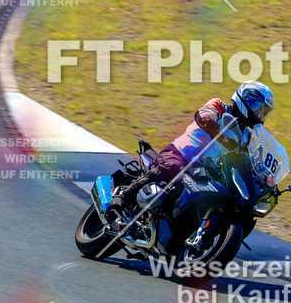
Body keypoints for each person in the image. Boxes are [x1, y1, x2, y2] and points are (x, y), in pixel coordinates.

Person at [113, 80, 274, 218]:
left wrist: (264, 175)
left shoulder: (247, 136)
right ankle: (123, 198)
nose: (261, 114)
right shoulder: (219, 107)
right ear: (245, 100)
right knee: (171, 168)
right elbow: (203, 114)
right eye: (259, 108)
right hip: (180, 154)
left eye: (265, 112)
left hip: (207, 172)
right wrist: (215, 128)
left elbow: (250, 159)